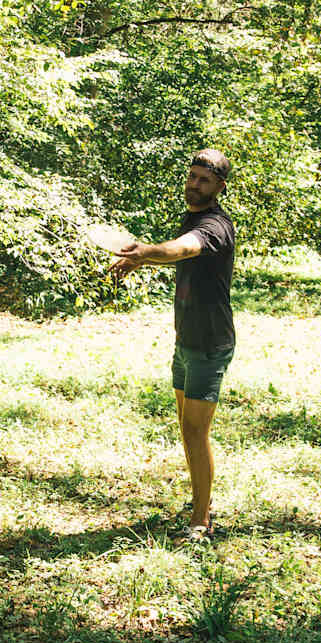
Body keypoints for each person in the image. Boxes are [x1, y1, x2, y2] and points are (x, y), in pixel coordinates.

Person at [110, 149, 235, 539]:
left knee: (196, 432)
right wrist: (145, 260)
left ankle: (201, 521)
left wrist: (145, 252)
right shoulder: (195, 217)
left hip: (210, 345)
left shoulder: (214, 225)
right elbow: (181, 248)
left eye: (204, 180)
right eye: (192, 176)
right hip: (186, 340)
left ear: (219, 188)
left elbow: (185, 248)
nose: (194, 184)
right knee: (187, 428)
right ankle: (202, 500)